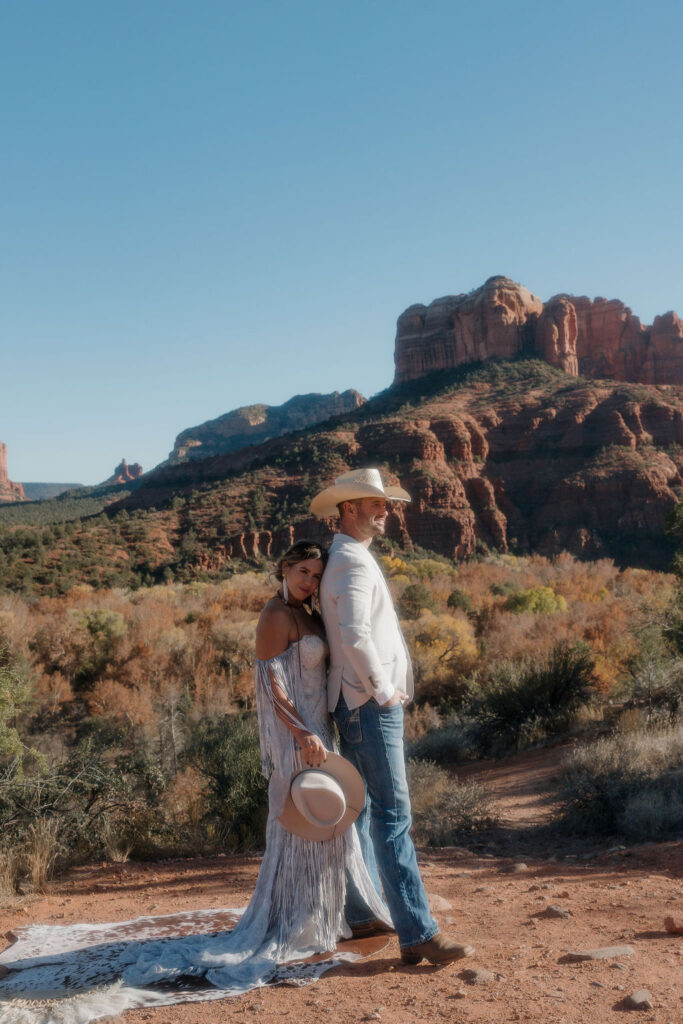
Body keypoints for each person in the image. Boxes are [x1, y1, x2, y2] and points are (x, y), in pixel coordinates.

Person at [0, 541, 390, 1019]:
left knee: (326, 834)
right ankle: (293, 924)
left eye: (316, 574)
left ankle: (323, 917)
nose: (309, 581)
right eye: (302, 571)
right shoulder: (274, 615)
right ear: (283, 568)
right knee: (300, 832)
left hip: (318, 732)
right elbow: (272, 686)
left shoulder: (307, 614)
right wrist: (303, 733)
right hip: (298, 737)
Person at [312, 468, 475, 965]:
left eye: (385, 504)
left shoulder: (344, 557)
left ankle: (362, 914)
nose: (385, 513)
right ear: (348, 509)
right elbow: (357, 635)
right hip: (367, 705)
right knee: (393, 817)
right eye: (376, 505)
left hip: (352, 701)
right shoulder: (351, 563)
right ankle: (419, 932)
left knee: (361, 813)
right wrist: (384, 692)